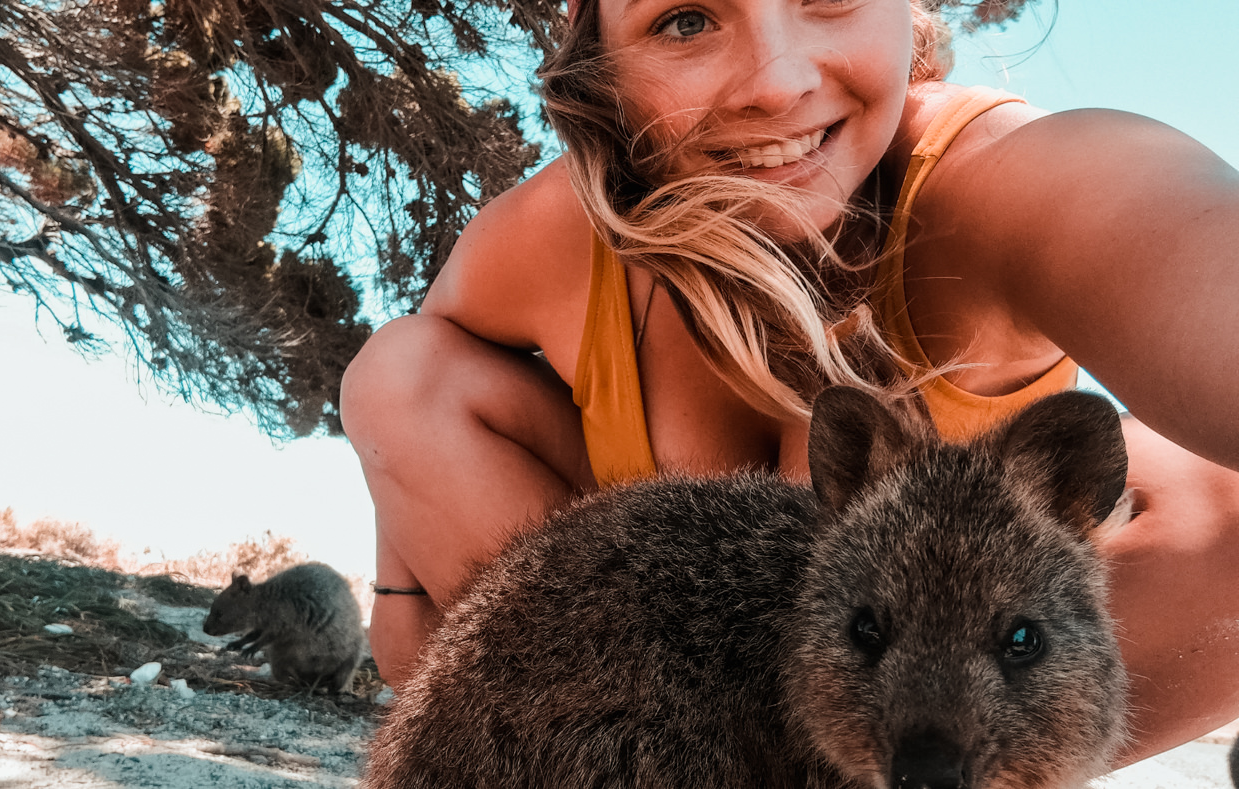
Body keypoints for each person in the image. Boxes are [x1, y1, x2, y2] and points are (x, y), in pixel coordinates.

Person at [341, 0, 1239, 767]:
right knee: (399, 373)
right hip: (656, 697)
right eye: (686, 19)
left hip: (938, 706)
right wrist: (398, 599)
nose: (775, 82)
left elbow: (1178, 242)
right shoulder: (556, 236)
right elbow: (408, 368)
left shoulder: (1008, 182)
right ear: (595, 46)